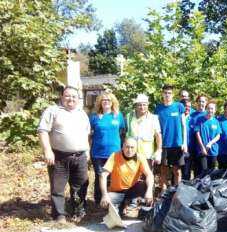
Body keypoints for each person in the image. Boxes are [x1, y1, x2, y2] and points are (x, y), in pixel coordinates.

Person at [37, 86, 90, 223]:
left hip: (80, 156)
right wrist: (47, 150)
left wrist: (87, 151)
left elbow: (86, 134)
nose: (71, 99)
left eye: (74, 96)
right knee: (57, 187)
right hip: (59, 156)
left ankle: (78, 211)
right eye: (67, 96)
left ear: (78, 99)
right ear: (62, 97)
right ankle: (59, 215)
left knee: (80, 186)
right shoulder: (52, 111)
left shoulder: (82, 113)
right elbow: (42, 131)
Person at [99, 138, 154, 216]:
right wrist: (104, 195)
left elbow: (149, 174)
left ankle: (131, 207)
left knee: (144, 185)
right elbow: (103, 175)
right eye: (127, 147)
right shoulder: (114, 156)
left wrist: (149, 191)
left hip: (133, 191)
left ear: (136, 148)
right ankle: (121, 208)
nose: (129, 150)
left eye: (132, 147)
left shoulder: (140, 157)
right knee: (104, 204)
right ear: (122, 147)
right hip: (117, 192)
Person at [89, 91, 126, 205]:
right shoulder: (94, 117)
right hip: (98, 153)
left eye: (108, 100)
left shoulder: (118, 115)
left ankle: (113, 202)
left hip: (114, 153)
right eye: (104, 100)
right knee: (100, 176)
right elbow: (89, 134)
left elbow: (123, 132)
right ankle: (98, 202)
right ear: (100, 102)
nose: (106, 102)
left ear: (112, 102)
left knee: (113, 177)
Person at [155, 85, 187, 190]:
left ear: (172, 94)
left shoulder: (179, 106)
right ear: (162, 94)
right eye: (165, 93)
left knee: (177, 171)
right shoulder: (158, 108)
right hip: (163, 144)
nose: (167, 95)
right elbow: (155, 127)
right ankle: (163, 193)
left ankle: (177, 193)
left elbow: (184, 125)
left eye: (169, 93)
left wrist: (184, 142)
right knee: (163, 171)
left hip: (177, 144)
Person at [126, 94, 162, 168]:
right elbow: (125, 134)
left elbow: (158, 135)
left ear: (147, 105)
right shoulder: (129, 116)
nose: (142, 107)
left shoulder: (153, 118)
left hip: (147, 155)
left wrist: (158, 151)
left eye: (144, 105)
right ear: (136, 106)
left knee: (147, 177)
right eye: (139, 105)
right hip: (132, 153)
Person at [183, 95, 208, 179]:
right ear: (196, 103)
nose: (201, 103)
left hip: (203, 149)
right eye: (199, 101)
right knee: (187, 172)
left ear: (206, 103)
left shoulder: (208, 115)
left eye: (203, 101)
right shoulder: (191, 115)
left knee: (202, 173)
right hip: (190, 147)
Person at [194, 101, 221, 175]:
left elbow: (218, 135)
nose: (210, 110)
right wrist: (202, 147)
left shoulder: (216, 121)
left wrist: (210, 143)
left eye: (212, 109)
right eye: (208, 108)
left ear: (215, 110)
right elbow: (197, 133)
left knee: (211, 172)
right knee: (203, 172)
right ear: (206, 109)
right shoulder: (199, 120)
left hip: (213, 151)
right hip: (202, 151)